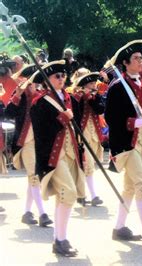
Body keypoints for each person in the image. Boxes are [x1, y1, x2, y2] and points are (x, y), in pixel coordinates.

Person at [104, 40, 142, 245]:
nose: (141, 62)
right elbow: (111, 117)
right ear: (125, 62)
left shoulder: (140, 83)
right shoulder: (117, 86)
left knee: (130, 187)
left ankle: (119, 227)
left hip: (139, 141)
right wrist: (132, 122)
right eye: (136, 58)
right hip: (125, 142)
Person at [29, 60, 85, 257]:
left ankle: (58, 238)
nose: (61, 79)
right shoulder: (40, 103)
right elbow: (41, 133)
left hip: (70, 153)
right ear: (47, 81)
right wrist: (62, 119)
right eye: (56, 76)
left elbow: (76, 126)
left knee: (64, 196)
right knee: (68, 194)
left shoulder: (69, 99)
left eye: (63, 75)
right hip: (54, 155)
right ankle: (61, 240)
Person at [5, 64, 53, 227]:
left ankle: (27, 212)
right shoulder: (20, 94)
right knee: (34, 176)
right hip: (24, 141)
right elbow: (8, 113)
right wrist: (17, 96)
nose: (34, 83)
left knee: (33, 178)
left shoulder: (42, 95)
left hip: (40, 141)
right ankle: (42, 213)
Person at [71, 72, 105, 207]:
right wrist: (82, 96)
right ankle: (93, 194)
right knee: (87, 164)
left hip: (94, 133)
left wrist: (92, 98)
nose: (93, 86)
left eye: (93, 84)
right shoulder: (75, 97)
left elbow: (100, 110)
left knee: (89, 165)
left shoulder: (95, 97)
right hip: (82, 133)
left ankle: (81, 193)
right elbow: (75, 113)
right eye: (90, 84)